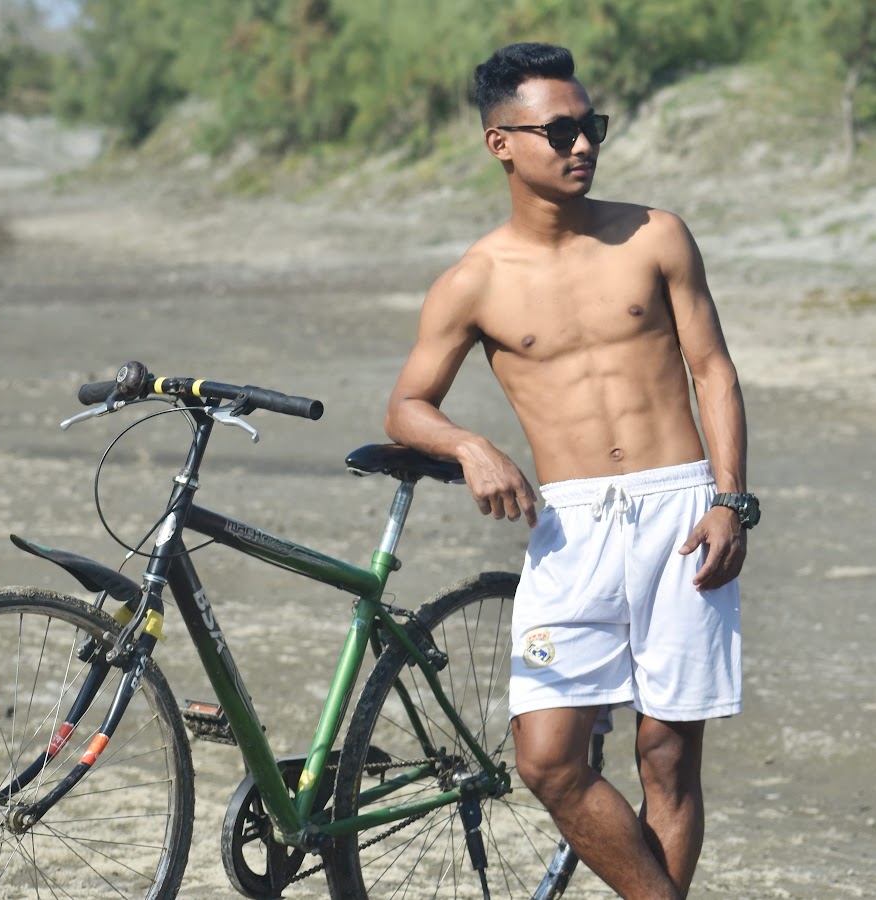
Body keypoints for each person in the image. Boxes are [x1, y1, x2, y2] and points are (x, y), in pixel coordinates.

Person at [384, 41, 759, 899]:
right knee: (548, 760)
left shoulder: (655, 235)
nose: (583, 144)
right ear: (501, 143)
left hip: (680, 506)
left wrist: (731, 500)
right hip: (573, 525)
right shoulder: (474, 281)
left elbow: (713, 370)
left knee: (666, 756)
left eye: (592, 126)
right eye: (559, 131)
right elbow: (407, 405)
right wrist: (471, 447)